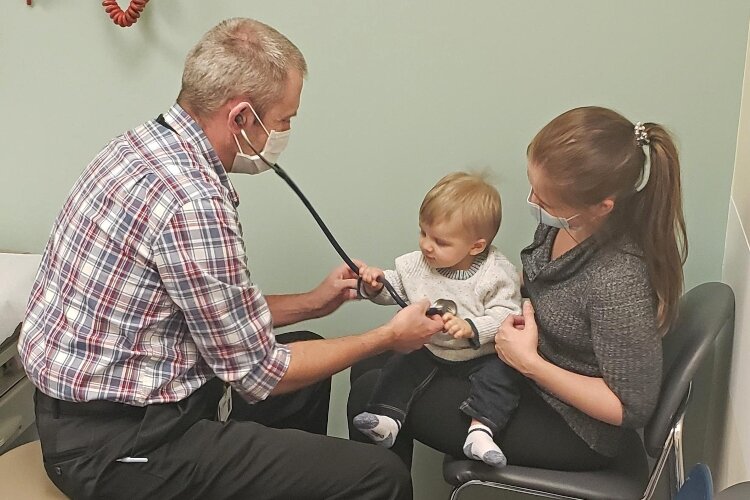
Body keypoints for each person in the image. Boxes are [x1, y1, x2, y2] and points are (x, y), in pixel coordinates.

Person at [18, 18, 444, 500]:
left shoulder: (138, 147)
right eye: (284, 120)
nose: (283, 133)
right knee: (378, 476)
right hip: (119, 448)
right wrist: (388, 336)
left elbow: (203, 314)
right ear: (241, 117)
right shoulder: (192, 202)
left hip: (103, 409)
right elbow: (262, 374)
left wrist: (313, 301)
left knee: (306, 349)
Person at [349, 106, 688, 471]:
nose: (533, 203)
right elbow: (546, 285)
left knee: (370, 392)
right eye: (534, 189)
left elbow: (630, 408)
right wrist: (466, 287)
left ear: (601, 207)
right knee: (370, 363)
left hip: (574, 426)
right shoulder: (565, 227)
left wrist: (529, 363)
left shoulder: (619, 279)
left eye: (546, 201)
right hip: (518, 373)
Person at [351, 172, 522, 467]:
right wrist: (374, 285)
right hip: (432, 350)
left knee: (502, 377)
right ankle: (387, 418)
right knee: (400, 363)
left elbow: (508, 314)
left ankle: (481, 431)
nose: (426, 245)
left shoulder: (496, 274)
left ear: (476, 247)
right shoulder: (417, 265)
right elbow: (395, 289)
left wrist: (471, 327)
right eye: (423, 233)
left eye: (440, 241)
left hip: (479, 355)